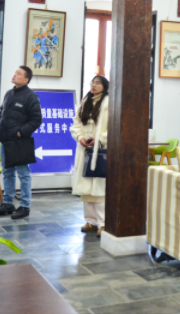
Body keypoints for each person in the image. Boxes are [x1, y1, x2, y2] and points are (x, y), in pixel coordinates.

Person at [0, 66, 43, 220]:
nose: (15, 75)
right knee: (7, 172)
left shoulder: (31, 97)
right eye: (15, 72)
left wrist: (20, 132)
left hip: (20, 141)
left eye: (19, 74)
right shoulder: (9, 93)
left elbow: (36, 120)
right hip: (5, 140)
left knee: (23, 174)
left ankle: (24, 206)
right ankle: (8, 203)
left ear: (26, 80)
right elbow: (1, 113)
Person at [70, 75, 109, 237]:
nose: (94, 85)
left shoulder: (109, 102)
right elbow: (76, 125)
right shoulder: (85, 101)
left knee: (99, 188)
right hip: (84, 149)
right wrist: (80, 138)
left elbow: (114, 127)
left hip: (101, 150)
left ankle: (103, 223)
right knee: (85, 187)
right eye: (92, 83)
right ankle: (90, 221)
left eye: (98, 83)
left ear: (105, 86)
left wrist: (99, 139)